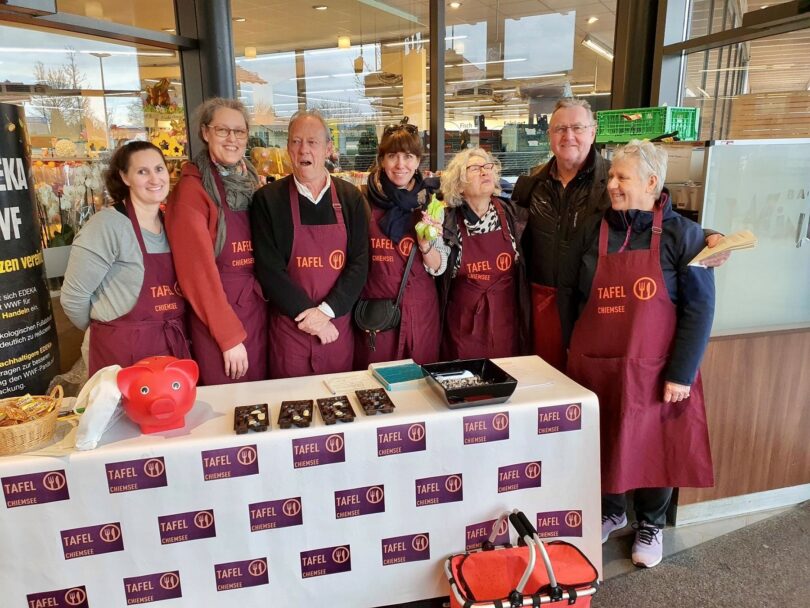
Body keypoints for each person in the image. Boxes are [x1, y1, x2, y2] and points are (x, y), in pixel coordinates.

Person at [558, 140, 715, 569]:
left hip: (656, 367)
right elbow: (569, 293)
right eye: (611, 176)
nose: (611, 184)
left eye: (621, 177)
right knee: (604, 438)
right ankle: (611, 510)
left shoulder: (685, 236)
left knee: (654, 442)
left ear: (651, 183)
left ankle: (650, 522)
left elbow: (700, 309)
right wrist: (575, 349)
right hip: (596, 363)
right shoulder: (593, 229)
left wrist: (681, 373)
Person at [513, 98, 728, 370]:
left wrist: (705, 236)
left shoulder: (614, 179)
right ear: (549, 135)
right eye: (560, 129)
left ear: (593, 132)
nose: (569, 136)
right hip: (538, 307)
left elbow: (653, 213)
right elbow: (509, 228)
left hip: (595, 309)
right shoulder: (530, 186)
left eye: (577, 128)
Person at [251, 110, 369, 378]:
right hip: (290, 332)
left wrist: (326, 313)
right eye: (296, 141)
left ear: (328, 149)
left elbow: (360, 263)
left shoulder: (351, 198)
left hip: (335, 329)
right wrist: (311, 318)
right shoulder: (268, 200)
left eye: (312, 142)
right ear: (288, 149)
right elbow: (269, 270)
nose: (303, 149)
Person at [61, 141, 190, 375]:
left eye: (159, 169)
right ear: (125, 177)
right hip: (121, 352)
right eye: (142, 172)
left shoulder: (171, 223)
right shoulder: (107, 225)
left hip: (169, 348)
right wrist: (108, 329)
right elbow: (73, 298)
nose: (155, 179)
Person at [165, 98, 266, 385]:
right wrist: (228, 336)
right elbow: (196, 274)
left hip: (256, 310)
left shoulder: (252, 182)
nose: (232, 139)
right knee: (232, 401)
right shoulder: (192, 191)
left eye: (239, 131)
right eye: (223, 130)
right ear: (205, 132)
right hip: (218, 319)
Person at [354, 122, 442, 369]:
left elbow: (438, 266)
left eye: (408, 156)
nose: (400, 164)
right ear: (382, 160)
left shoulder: (430, 202)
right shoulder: (361, 200)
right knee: (375, 383)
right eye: (392, 156)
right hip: (375, 314)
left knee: (420, 383)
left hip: (420, 313)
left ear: (417, 161)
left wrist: (425, 245)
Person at [436, 148, 530, 360]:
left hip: (506, 326)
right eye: (475, 168)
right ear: (459, 185)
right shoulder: (446, 223)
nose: (485, 172)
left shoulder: (515, 217)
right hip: (461, 330)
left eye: (488, 167)